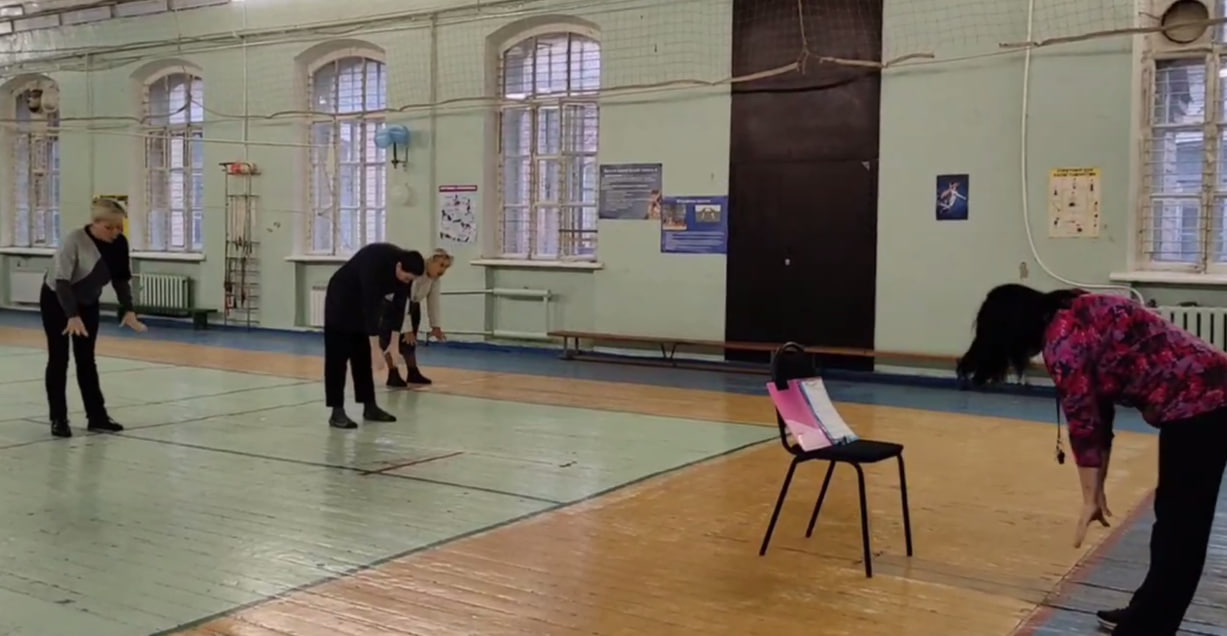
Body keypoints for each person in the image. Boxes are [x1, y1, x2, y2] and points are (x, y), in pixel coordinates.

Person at [956, 284, 1227, 636]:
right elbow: (1100, 415)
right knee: (1172, 524)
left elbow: (1085, 425)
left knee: (1181, 532)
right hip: (1203, 396)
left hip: (1204, 404)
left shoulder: (1063, 344)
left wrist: (1089, 500)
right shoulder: (1076, 311)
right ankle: (1144, 613)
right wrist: (1096, 491)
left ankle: (1148, 627)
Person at [42, 198, 148, 438]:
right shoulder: (74, 240)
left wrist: (128, 310)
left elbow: (121, 279)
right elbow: (61, 281)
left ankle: (97, 416)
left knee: (86, 359)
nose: (115, 232)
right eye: (109, 227)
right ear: (95, 223)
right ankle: (58, 418)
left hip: (87, 302)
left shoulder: (119, 243)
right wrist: (71, 316)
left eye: (119, 226)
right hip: (57, 300)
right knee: (59, 358)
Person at [323, 243, 424, 429]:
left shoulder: (406, 274)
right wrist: (375, 348)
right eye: (406, 278)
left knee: (361, 357)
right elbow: (369, 305)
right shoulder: (375, 261)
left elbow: (399, 306)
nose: (407, 282)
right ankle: (336, 411)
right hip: (340, 298)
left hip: (364, 304)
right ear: (399, 266)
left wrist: (394, 344)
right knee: (337, 356)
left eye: (411, 280)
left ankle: (369, 406)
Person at [381, 248, 452, 387]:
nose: (443, 270)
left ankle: (413, 372)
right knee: (389, 341)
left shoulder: (434, 278)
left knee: (410, 341)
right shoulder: (416, 270)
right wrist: (406, 328)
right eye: (441, 265)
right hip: (392, 305)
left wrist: (435, 326)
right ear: (431, 261)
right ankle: (393, 373)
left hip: (413, 306)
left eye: (446, 267)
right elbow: (404, 298)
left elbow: (433, 300)